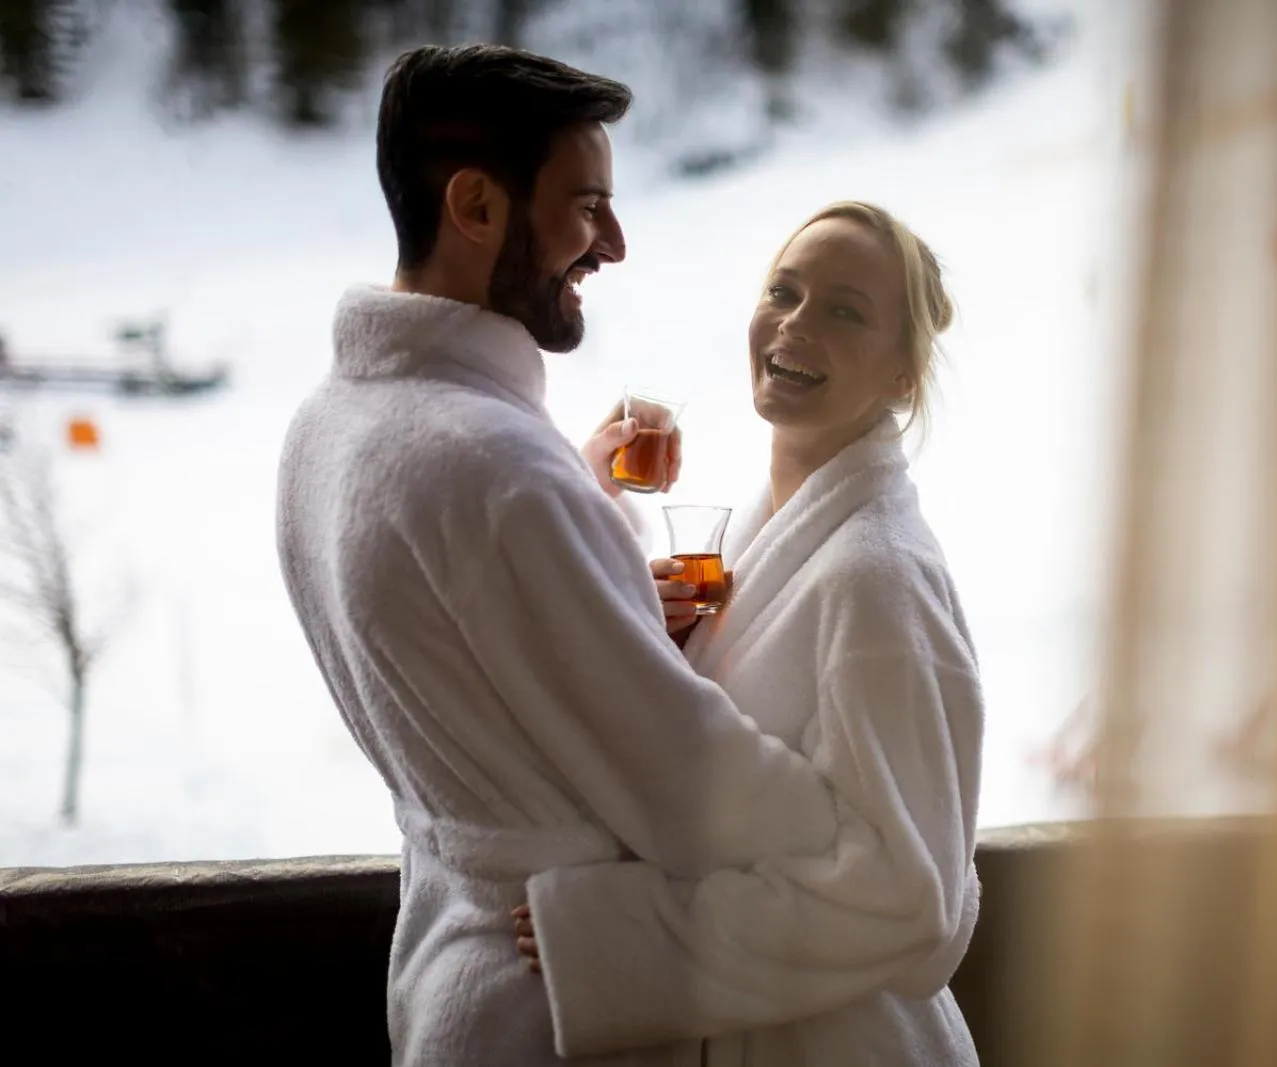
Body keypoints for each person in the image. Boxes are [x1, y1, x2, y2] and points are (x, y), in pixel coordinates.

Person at [275, 45, 854, 1067]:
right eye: (587, 206)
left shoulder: (327, 430)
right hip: (563, 1001)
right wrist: (854, 818)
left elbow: (467, 648)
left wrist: (593, 529)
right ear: (478, 206)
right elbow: (695, 792)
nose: (614, 244)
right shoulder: (498, 475)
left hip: (452, 972)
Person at [511, 202, 985, 1066]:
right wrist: (645, 632)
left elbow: (909, 897)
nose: (796, 322)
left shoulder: (876, 580)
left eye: (846, 310)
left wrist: (620, 938)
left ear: (902, 377)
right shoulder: (763, 539)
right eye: (785, 290)